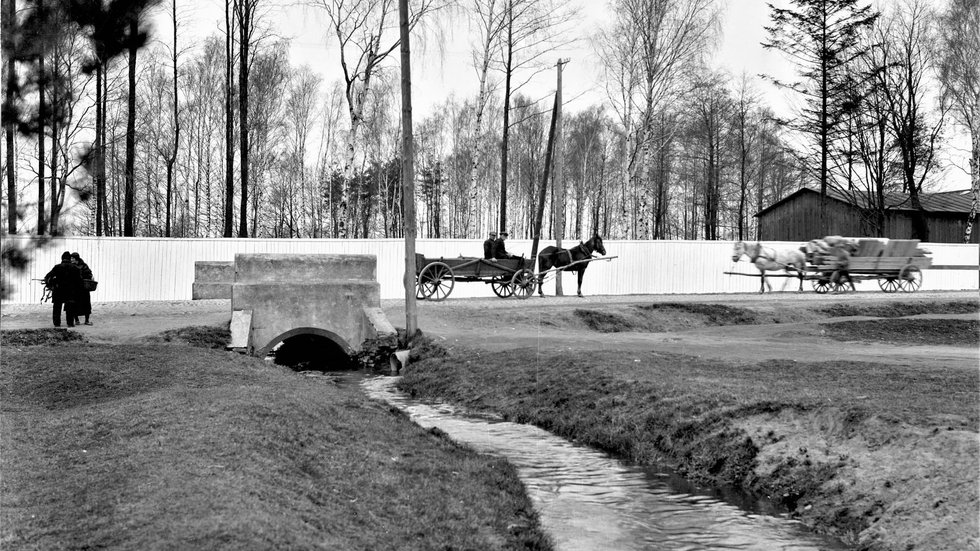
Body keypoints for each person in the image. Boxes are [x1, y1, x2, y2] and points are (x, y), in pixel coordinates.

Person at [43, 251, 83, 328]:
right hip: (71, 292)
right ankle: (70, 323)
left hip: (58, 291)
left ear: (62, 258)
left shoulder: (57, 267)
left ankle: (57, 323)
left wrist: (51, 285)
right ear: (69, 259)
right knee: (70, 308)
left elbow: (47, 277)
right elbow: (80, 282)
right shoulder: (75, 268)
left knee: (57, 307)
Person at [70, 252, 94, 325]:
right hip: (75, 289)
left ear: (76, 258)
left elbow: (89, 274)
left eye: (72, 258)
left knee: (86, 304)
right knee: (75, 304)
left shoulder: (84, 266)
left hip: (83, 289)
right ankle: (76, 320)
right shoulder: (72, 266)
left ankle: (86, 320)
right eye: (71, 258)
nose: (71, 259)